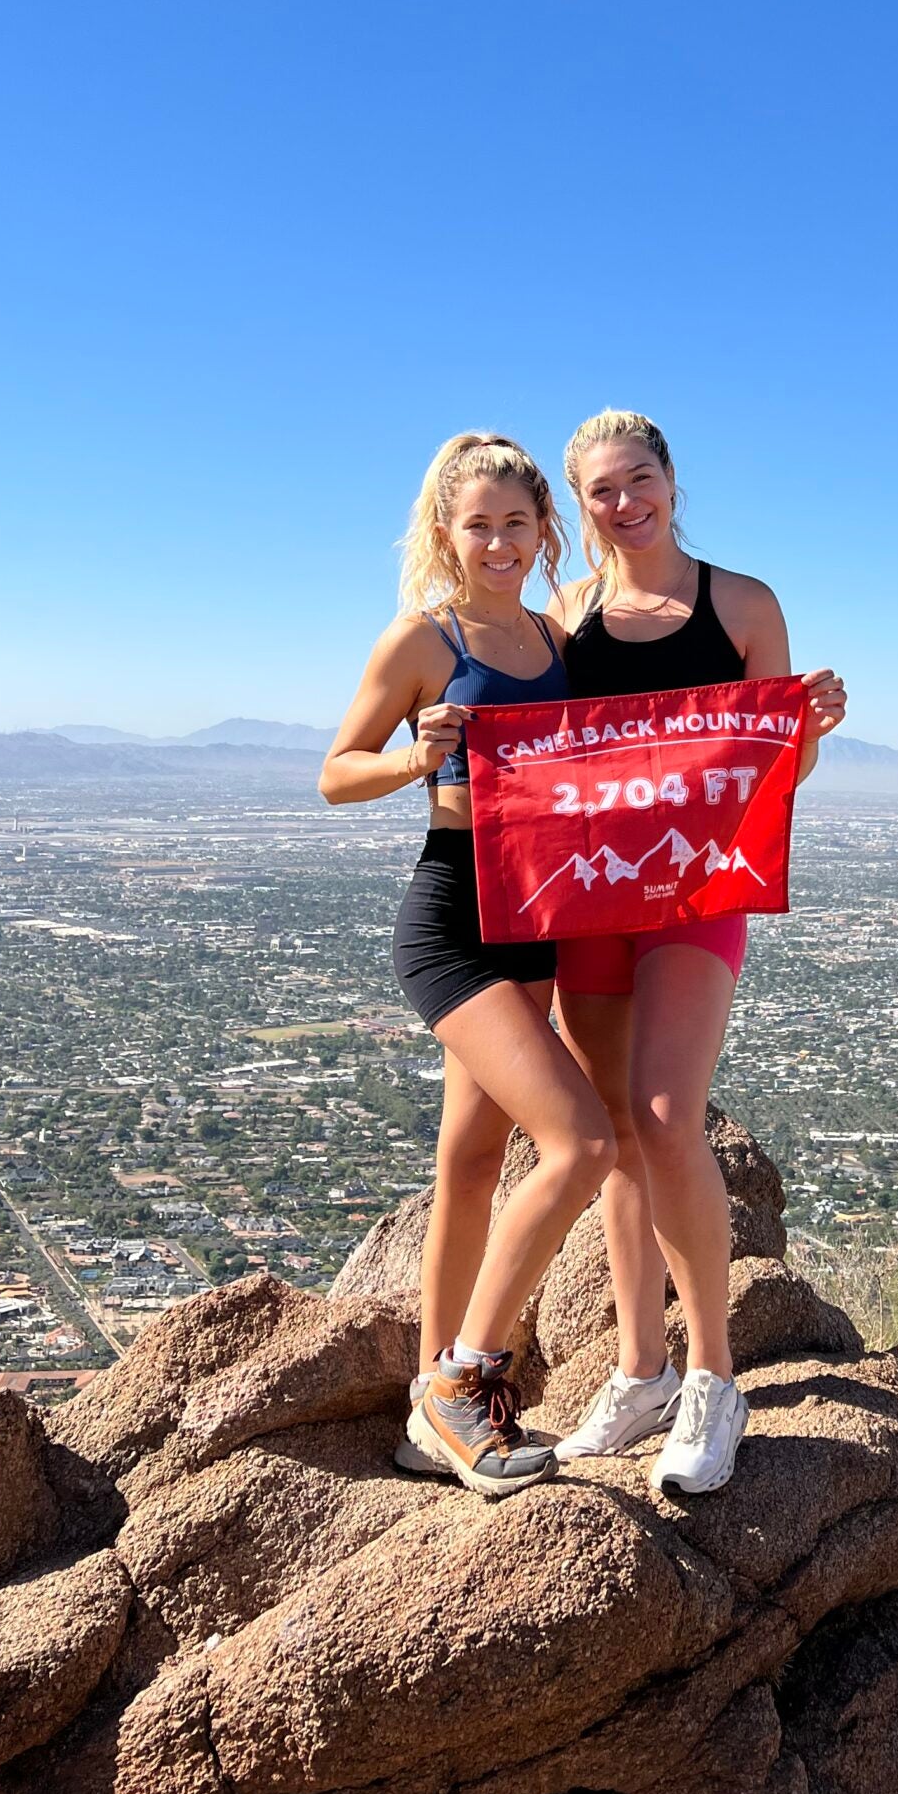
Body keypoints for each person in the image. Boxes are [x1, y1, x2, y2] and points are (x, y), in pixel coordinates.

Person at [547, 410, 845, 1494]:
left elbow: (771, 777)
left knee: (670, 1113)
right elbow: (539, 756)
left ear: (673, 480)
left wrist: (809, 729)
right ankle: (640, 1372)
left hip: (699, 889)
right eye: (601, 492)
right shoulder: (567, 614)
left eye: (639, 480)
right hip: (589, 895)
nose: (625, 504)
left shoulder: (742, 604)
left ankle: (716, 1380)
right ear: (579, 507)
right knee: (620, 1131)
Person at [319, 433, 615, 1496]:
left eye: (515, 522)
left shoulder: (557, 631)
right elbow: (334, 773)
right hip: (454, 915)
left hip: (538, 910)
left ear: (543, 530)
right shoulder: (423, 640)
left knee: (469, 1162)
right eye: (476, 522)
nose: (496, 539)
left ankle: (423, 1414)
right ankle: (465, 1381)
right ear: (447, 530)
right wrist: (415, 754)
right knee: (579, 1142)